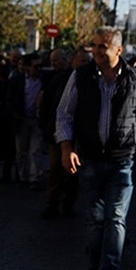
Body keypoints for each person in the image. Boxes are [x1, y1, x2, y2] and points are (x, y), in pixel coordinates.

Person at [55, 27, 136, 270]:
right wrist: (67, 148)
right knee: (96, 222)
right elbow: (64, 115)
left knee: (115, 219)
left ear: (118, 50)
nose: (97, 51)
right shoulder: (81, 77)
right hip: (89, 160)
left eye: (103, 46)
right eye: (95, 45)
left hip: (122, 162)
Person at [39, 47, 88, 218]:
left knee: (73, 172)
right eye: (82, 61)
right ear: (73, 61)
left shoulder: (91, 81)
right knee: (56, 169)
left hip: (79, 135)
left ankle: (67, 203)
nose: (86, 65)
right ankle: (52, 203)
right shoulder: (59, 80)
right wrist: (47, 127)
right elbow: (46, 105)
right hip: (58, 133)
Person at [7, 52, 45, 190]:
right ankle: (23, 176)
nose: (39, 69)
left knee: (35, 150)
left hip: (36, 120)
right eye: (36, 66)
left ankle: (34, 178)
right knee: (21, 150)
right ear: (28, 67)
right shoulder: (17, 80)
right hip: (21, 119)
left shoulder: (44, 80)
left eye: (41, 66)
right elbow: (10, 99)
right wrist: (14, 113)